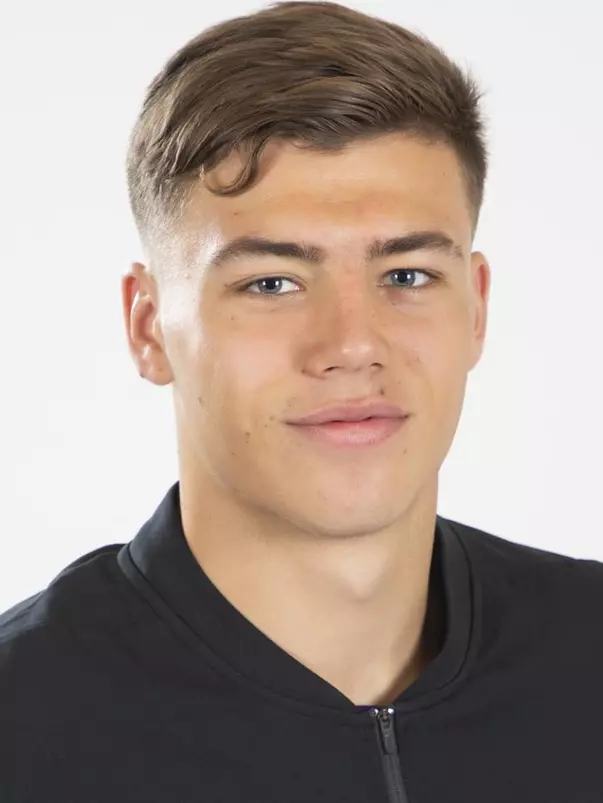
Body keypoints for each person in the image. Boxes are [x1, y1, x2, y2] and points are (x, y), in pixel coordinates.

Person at [1, 1, 602, 801]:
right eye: (272, 282)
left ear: (477, 306)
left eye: (406, 276)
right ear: (149, 328)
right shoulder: (23, 728)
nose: (351, 345)